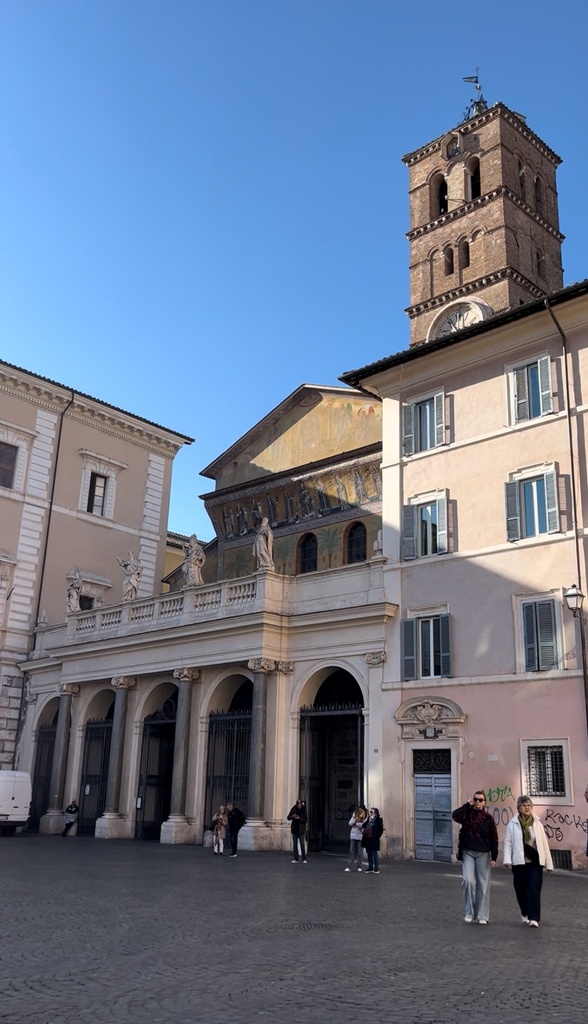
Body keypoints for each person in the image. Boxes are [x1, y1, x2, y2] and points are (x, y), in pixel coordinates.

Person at [503, 795, 553, 927]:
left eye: (529, 805)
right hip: (519, 861)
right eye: (524, 805)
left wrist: (549, 863)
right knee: (520, 889)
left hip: (535, 861)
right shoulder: (513, 824)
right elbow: (508, 843)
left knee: (534, 887)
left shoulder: (537, 824)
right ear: (518, 808)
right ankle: (524, 911)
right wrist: (507, 859)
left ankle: (534, 918)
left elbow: (544, 844)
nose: (527, 807)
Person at [452, 791, 498, 924]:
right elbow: (455, 815)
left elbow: (494, 838)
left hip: (483, 853)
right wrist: (466, 805)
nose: (477, 802)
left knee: (483, 884)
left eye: (480, 800)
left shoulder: (488, 818)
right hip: (468, 852)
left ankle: (483, 915)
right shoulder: (467, 814)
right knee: (468, 881)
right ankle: (469, 912)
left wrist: (494, 856)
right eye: (475, 799)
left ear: (485, 802)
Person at [362, 807, 384, 874]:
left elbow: (381, 830)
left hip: (374, 839)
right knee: (369, 853)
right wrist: (367, 820)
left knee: (374, 853)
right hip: (367, 839)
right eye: (370, 812)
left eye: (371, 812)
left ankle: (376, 868)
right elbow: (363, 826)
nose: (370, 813)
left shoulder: (378, 820)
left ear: (375, 813)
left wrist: (377, 837)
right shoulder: (369, 819)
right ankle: (370, 867)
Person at [345, 804, 367, 871]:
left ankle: (359, 866)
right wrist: (355, 820)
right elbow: (350, 823)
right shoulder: (355, 814)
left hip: (360, 835)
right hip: (353, 835)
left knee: (359, 852)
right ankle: (349, 866)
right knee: (351, 851)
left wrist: (357, 823)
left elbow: (364, 825)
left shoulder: (365, 816)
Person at [287, 798, 308, 863]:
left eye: (299, 804)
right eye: (297, 804)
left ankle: (304, 858)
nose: (298, 805)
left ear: (301, 804)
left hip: (301, 830)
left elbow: (305, 820)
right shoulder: (294, 808)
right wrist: (292, 816)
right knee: (295, 844)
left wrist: (299, 818)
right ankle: (296, 858)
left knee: (302, 844)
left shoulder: (303, 810)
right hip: (295, 829)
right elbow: (288, 817)